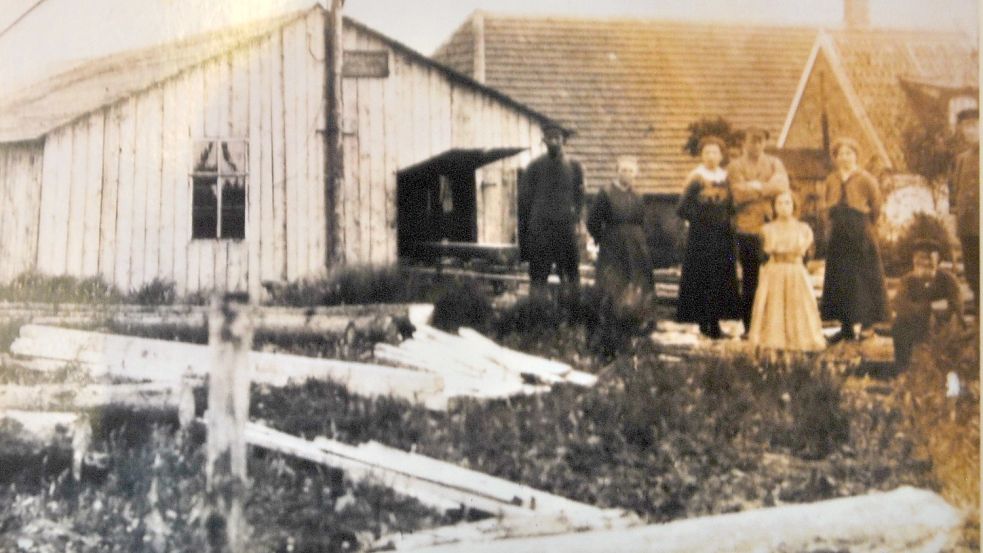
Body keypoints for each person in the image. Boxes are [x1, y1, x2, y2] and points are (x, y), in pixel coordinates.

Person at [821, 137, 888, 342]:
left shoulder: (866, 179)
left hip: (860, 231)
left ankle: (868, 326)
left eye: (849, 153)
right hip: (839, 233)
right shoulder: (831, 179)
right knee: (841, 278)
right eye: (840, 153)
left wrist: (866, 226)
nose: (845, 157)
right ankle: (846, 326)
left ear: (856, 156)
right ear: (835, 157)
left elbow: (876, 207)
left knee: (863, 277)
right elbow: (825, 206)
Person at [587, 155, 654, 355]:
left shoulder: (638, 195)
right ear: (617, 171)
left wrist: (639, 241)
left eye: (631, 171)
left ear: (636, 174)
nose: (628, 174)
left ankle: (635, 324)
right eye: (624, 170)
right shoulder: (605, 193)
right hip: (613, 246)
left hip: (636, 246)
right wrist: (604, 240)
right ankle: (611, 328)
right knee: (613, 285)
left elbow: (642, 222)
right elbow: (593, 222)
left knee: (637, 283)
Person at [727, 126, 790, 336]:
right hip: (747, 228)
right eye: (752, 140)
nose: (756, 145)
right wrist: (765, 188)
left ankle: (773, 325)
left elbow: (781, 185)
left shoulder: (774, 163)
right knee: (751, 278)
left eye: (761, 141)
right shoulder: (735, 166)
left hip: (771, 226)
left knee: (774, 275)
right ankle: (750, 326)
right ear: (743, 143)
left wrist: (756, 187)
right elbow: (738, 193)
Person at [676, 136, 740, 339]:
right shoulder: (696, 177)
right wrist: (702, 219)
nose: (711, 156)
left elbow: (732, 205)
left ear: (721, 156)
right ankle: (705, 322)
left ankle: (717, 321)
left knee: (720, 277)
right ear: (702, 155)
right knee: (702, 276)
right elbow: (682, 208)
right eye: (707, 152)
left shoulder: (726, 177)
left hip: (722, 236)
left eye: (715, 152)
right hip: (701, 237)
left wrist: (727, 220)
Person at [747, 191, 826, 352]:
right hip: (774, 271)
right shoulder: (767, 229)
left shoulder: (803, 229)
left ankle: (799, 341)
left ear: (794, 206)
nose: (784, 207)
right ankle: (773, 341)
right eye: (780, 203)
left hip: (795, 271)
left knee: (798, 306)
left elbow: (808, 254)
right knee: (773, 306)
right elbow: (762, 255)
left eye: (787, 203)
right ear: (774, 207)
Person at [517, 123, 585, 300]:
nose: (554, 141)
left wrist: (575, 218)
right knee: (538, 278)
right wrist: (525, 239)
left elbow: (580, 198)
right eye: (550, 138)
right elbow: (524, 203)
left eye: (558, 138)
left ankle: (572, 316)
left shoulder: (575, 167)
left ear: (564, 141)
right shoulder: (534, 167)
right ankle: (537, 317)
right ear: (544, 141)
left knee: (571, 276)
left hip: (565, 231)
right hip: (541, 232)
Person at [891, 239, 964, 371]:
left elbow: (956, 307)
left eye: (930, 258)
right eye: (920, 258)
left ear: (938, 260)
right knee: (899, 324)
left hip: (942, 326)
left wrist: (923, 308)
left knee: (953, 327)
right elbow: (900, 305)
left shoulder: (948, 280)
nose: (925, 262)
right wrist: (929, 307)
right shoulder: (908, 280)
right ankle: (902, 369)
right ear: (914, 260)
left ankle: (948, 370)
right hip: (916, 326)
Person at [949, 108, 979, 312]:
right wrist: (954, 223)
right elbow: (954, 194)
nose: (969, 131)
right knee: (973, 272)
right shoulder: (962, 159)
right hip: (968, 227)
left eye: (974, 126)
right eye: (966, 127)